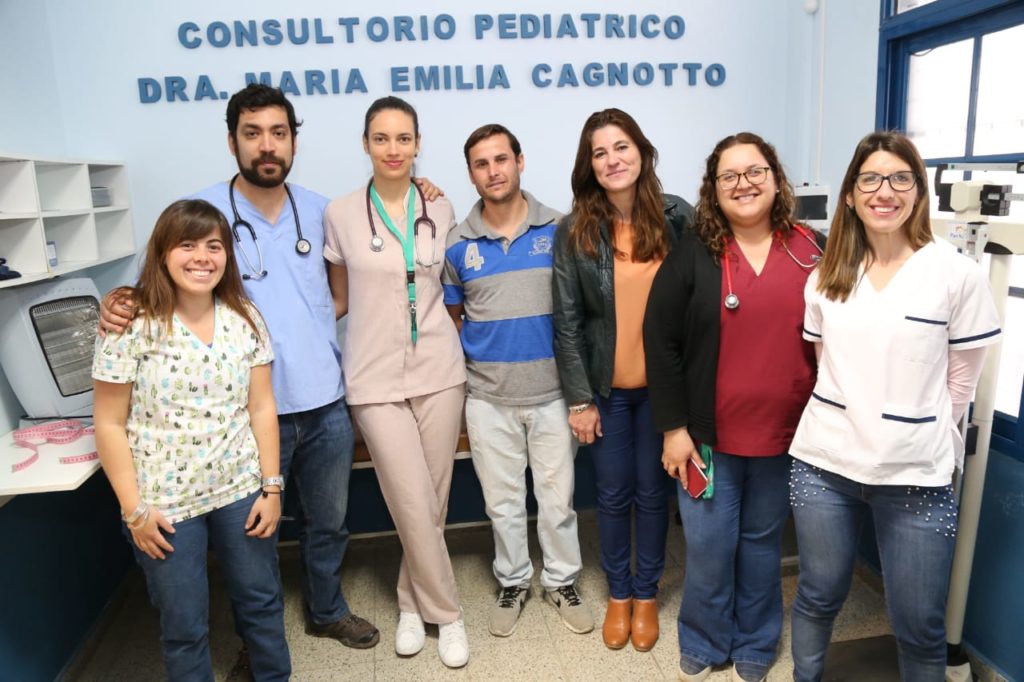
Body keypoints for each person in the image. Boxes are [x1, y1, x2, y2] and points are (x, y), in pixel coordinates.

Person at [100, 84, 382, 651]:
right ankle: (259, 643)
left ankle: (327, 610)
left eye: (278, 133)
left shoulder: (323, 211)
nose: (267, 145)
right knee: (251, 539)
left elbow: (340, 295)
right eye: (252, 134)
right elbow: (145, 292)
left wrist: (304, 327)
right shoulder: (201, 214)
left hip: (324, 404)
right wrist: (116, 303)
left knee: (328, 523)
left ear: (294, 140)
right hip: (244, 419)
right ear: (233, 142)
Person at [788, 131, 1001, 681]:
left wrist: (910, 431)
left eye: (901, 178)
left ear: (918, 192)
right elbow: (825, 367)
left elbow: (960, 386)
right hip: (825, 465)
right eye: (871, 179)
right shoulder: (826, 276)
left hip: (916, 476)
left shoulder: (956, 275)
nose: (885, 191)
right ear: (850, 194)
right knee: (817, 595)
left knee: (919, 624)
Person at [644, 133, 824, 682]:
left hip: (785, 437)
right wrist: (673, 428)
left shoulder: (811, 250)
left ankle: (756, 641)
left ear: (775, 178)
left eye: (754, 171)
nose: (743, 184)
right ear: (714, 189)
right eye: (730, 176)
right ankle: (704, 638)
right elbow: (661, 340)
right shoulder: (695, 253)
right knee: (709, 546)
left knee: (762, 545)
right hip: (708, 438)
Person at [92, 199, 289, 681]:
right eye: (187, 245)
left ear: (227, 256)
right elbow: (109, 424)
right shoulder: (131, 325)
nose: (202, 257)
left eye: (213, 246)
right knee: (184, 626)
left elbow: (261, 407)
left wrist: (272, 487)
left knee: (261, 602)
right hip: (164, 504)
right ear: (163, 253)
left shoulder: (245, 317)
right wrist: (134, 511)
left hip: (240, 490)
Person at [322, 96, 470, 668]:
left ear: (417, 144)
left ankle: (411, 605)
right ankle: (449, 614)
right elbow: (337, 298)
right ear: (365, 144)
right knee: (410, 497)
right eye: (381, 138)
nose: (393, 149)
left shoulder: (440, 204)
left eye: (403, 138)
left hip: (438, 367)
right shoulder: (339, 213)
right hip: (373, 373)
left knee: (432, 499)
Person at [443, 124, 593, 638]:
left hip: (554, 395)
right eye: (481, 164)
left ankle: (562, 580)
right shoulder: (457, 243)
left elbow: (579, 312)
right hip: (488, 397)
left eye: (501, 159)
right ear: (471, 174)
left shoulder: (561, 229)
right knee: (502, 504)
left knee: (557, 501)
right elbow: (453, 318)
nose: (493, 171)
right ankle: (512, 581)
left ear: (520, 161)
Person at [552, 108, 694, 651]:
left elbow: (700, 301)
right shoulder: (575, 231)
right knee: (612, 496)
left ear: (641, 152)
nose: (612, 160)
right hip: (605, 394)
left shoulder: (677, 217)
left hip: (665, 392)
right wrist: (579, 400)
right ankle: (618, 594)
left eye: (621, 147)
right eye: (600, 152)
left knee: (654, 494)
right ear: (589, 165)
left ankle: (646, 594)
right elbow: (566, 322)